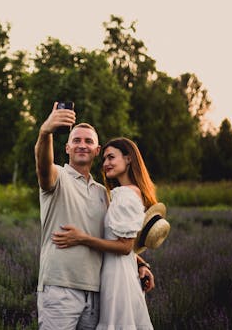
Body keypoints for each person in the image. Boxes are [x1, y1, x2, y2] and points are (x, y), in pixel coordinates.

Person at [35, 103, 154, 330]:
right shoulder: (57, 177)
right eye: (76, 141)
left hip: (97, 292)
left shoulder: (102, 192)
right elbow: (42, 167)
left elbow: (111, 238)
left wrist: (140, 264)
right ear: (67, 148)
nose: (82, 145)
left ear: (97, 151)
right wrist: (45, 132)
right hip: (61, 289)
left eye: (88, 141)